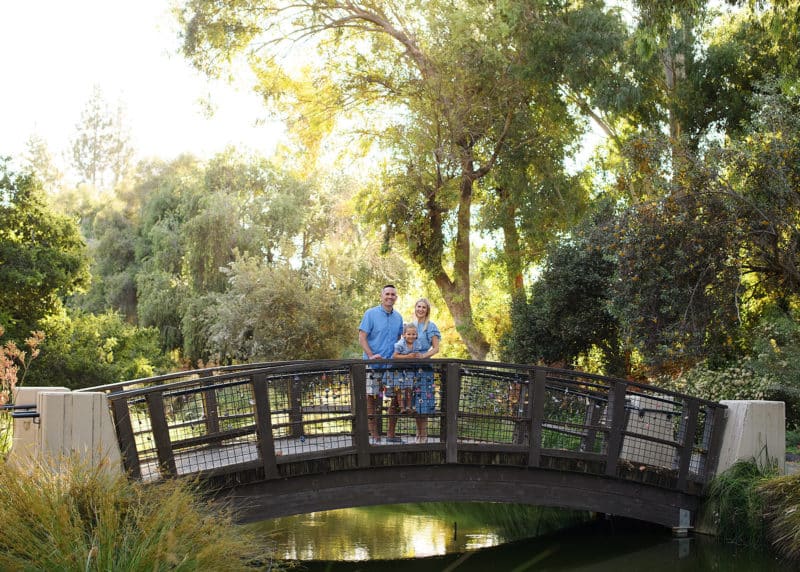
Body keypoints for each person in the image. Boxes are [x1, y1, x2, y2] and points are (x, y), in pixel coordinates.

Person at [358, 284, 403, 443]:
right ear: (381, 296)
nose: (390, 297)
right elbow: (362, 337)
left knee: (396, 398)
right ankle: (375, 436)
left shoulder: (399, 317)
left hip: (391, 366)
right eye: (387, 294)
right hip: (373, 365)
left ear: (396, 298)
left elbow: (400, 340)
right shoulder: (370, 314)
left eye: (393, 295)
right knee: (371, 399)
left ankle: (390, 435)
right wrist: (370, 355)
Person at [411, 298, 440, 443]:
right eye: (418, 306)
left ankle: (424, 435)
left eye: (424, 307)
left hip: (425, 369)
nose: (420, 309)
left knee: (424, 401)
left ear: (427, 310)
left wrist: (423, 356)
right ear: (415, 308)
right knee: (416, 403)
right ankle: (418, 433)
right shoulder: (410, 325)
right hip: (412, 368)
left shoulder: (430, 326)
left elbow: (436, 348)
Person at [391, 323, 423, 414]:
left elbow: (416, 355)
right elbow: (395, 356)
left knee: (409, 387)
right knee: (399, 388)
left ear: (416, 335)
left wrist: (417, 356)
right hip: (398, 369)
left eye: (413, 334)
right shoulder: (400, 344)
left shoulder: (417, 344)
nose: (411, 336)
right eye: (409, 334)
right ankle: (402, 407)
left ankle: (408, 407)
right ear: (404, 335)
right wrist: (407, 356)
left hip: (409, 369)